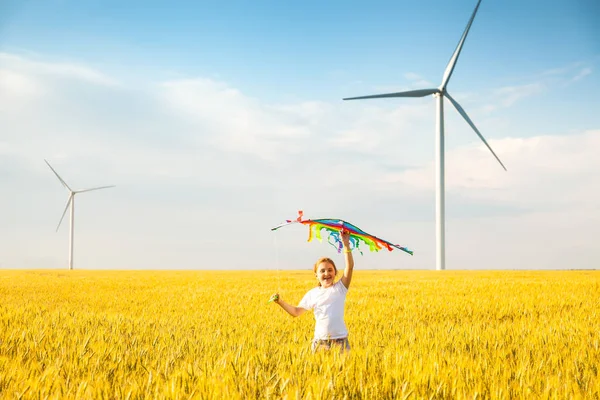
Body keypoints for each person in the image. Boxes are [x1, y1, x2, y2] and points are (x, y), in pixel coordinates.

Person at [271, 230, 354, 353]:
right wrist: (279, 302)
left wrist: (346, 244)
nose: (326, 273)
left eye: (330, 270)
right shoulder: (313, 293)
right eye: (322, 271)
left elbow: (349, 267)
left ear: (335, 273)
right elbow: (296, 312)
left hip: (341, 342)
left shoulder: (340, 288)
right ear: (316, 275)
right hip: (320, 343)